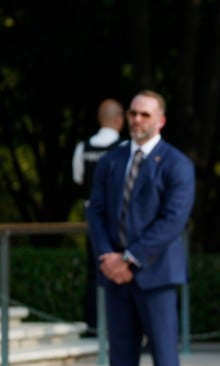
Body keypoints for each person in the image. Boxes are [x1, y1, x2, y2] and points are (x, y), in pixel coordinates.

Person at [84, 90, 195, 366]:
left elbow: (172, 221)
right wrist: (106, 257)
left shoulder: (176, 163)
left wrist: (129, 259)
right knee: (121, 355)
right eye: (133, 113)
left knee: (164, 354)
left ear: (160, 120)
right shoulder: (112, 161)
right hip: (114, 274)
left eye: (145, 114)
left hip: (156, 275)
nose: (137, 120)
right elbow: (96, 211)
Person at [72, 98, 125, 337]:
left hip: (91, 213)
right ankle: (118, 325)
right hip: (117, 215)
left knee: (94, 269)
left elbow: (79, 178)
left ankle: (93, 324)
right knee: (120, 268)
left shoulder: (83, 147)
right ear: (119, 119)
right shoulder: (124, 147)